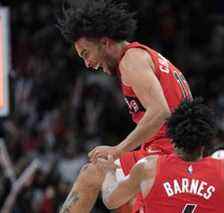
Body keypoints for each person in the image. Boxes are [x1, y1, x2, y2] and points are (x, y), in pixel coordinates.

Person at [58, 0, 192, 211]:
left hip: (167, 154)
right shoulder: (146, 56)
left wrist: (118, 150)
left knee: (90, 175)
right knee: (124, 198)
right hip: (180, 152)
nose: (87, 64)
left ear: (104, 42)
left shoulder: (131, 60)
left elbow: (160, 112)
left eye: (86, 53)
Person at [101, 98, 224, 213]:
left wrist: (109, 170)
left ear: (173, 139)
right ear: (206, 142)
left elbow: (110, 200)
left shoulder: (148, 167)